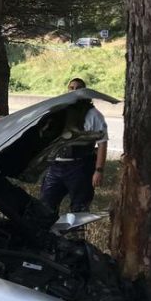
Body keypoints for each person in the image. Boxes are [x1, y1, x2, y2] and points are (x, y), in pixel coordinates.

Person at [39, 77, 108, 213]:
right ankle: (47, 233)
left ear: (85, 92)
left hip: (79, 168)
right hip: (55, 168)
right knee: (45, 207)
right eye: (71, 88)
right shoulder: (58, 112)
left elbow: (102, 144)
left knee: (79, 210)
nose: (74, 91)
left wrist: (98, 170)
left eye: (78, 88)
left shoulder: (94, 115)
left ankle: (75, 235)